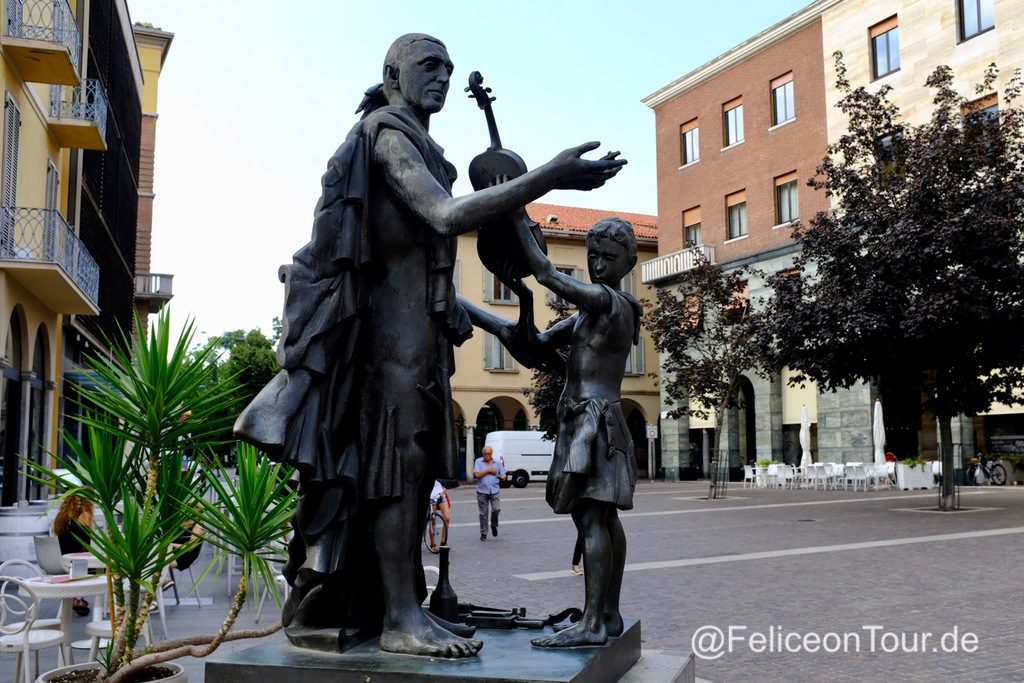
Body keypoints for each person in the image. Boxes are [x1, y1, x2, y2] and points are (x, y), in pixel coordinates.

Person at [233, 33, 626, 659]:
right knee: (395, 472)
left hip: (417, 338)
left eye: (446, 66)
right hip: (388, 344)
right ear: (393, 76)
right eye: (428, 67)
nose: (441, 76)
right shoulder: (388, 135)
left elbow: (432, 275)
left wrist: (499, 327)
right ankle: (398, 619)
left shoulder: (421, 145)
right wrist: (548, 176)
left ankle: (406, 605)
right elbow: (443, 217)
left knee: (412, 476)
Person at [511, 216, 641, 648]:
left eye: (609, 257)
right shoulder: (590, 314)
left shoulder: (609, 303)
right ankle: (607, 614)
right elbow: (535, 346)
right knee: (603, 516)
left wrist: (514, 220)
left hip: (593, 422)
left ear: (629, 262)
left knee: (591, 516)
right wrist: (514, 305)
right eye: (593, 257)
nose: (599, 265)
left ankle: (592, 622)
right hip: (590, 419)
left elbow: (549, 274)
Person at [53, 493, 94, 615]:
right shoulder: (83, 518)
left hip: (58, 563)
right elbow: (86, 548)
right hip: (76, 565)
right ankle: (79, 598)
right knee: (105, 568)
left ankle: (77, 598)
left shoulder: (60, 519)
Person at [473, 446, 506, 541]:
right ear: (483, 454)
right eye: (485, 454)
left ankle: (494, 525)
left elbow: (504, 476)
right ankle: (483, 533)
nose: (487, 455)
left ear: (491, 454)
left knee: (496, 509)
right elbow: (477, 475)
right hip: (482, 491)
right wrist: (488, 470)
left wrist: (497, 474)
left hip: (494, 490)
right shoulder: (478, 462)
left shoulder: (497, 463)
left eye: (489, 454)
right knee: (483, 514)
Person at [427, 480, 451, 551]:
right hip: (430, 496)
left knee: (447, 518)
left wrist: (445, 488)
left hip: (441, 494)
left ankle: (443, 542)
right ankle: (433, 544)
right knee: (432, 520)